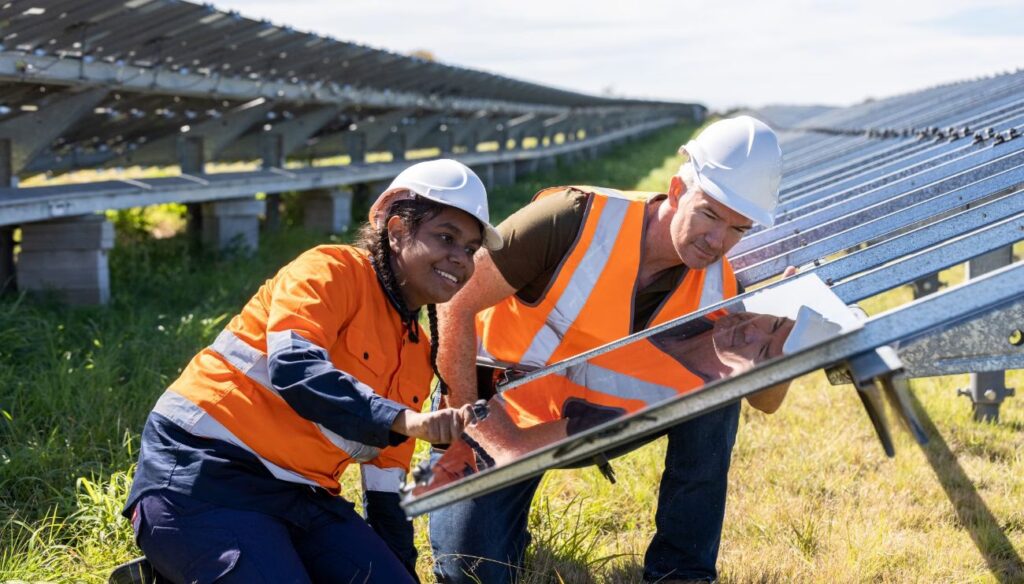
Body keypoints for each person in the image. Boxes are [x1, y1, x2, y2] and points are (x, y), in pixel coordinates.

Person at [430, 116, 788, 583]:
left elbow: (765, 401)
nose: (717, 241)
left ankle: (682, 573)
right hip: (496, 409)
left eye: (738, 228)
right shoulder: (570, 219)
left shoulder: (720, 288)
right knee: (471, 572)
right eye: (709, 214)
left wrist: (790, 327)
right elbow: (453, 303)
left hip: (590, 420)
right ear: (677, 190)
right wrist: (476, 425)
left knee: (718, 394)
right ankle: (501, 522)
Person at [121, 159, 503, 584]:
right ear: (396, 231)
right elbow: (295, 369)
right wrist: (405, 420)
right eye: (446, 237)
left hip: (303, 497)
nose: (460, 259)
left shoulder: (416, 352)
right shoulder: (329, 270)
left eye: (470, 249)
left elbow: (385, 489)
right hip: (204, 474)